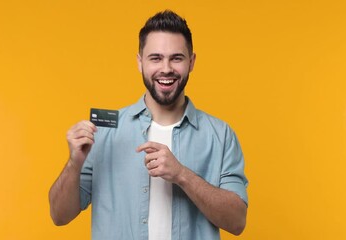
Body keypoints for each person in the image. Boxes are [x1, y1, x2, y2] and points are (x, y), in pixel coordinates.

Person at [49, 10, 248, 240]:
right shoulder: (104, 133)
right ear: (139, 62)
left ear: (191, 62)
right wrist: (74, 163)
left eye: (176, 58)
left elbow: (237, 222)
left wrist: (181, 174)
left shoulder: (221, 135)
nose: (166, 68)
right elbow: (59, 216)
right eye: (155, 58)